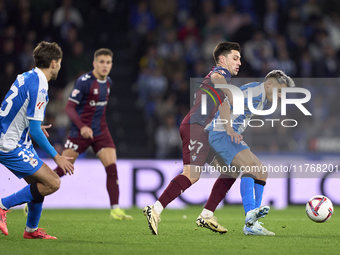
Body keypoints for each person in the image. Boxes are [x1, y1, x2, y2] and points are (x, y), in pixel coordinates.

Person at [143, 41, 242, 235]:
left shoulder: (224, 81)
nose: (239, 62)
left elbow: (222, 105)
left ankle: (207, 215)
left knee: (232, 169)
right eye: (235, 58)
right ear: (222, 59)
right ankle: (155, 210)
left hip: (205, 131)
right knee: (192, 175)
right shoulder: (221, 73)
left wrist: (229, 129)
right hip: (195, 127)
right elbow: (216, 78)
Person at [202, 70, 295, 235]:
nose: (280, 95)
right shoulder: (253, 94)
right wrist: (230, 130)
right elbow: (224, 106)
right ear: (269, 84)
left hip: (227, 134)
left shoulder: (260, 94)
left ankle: (252, 224)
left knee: (261, 172)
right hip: (221, 133)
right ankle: (250, 218)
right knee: (250, 167)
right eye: (280, 91)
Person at [0, 41, 74, 239]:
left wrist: (28, 123)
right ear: (53, 63)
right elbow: (35, 131)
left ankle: (31, 230)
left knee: (39, 183)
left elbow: (12, 107)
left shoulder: (27, 76)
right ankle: (3, 205)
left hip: (11, 137)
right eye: (59, 62)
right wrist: (57, 157)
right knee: (53, 182)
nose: (59, 66)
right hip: (10, 143)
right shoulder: (41, 84)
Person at [50, 48, 132, 220]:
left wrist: (95, 128)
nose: (105, 66)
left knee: (112, 167)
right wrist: (81, 127)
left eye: (108, 62)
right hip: (79, 133)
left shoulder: (108, 82)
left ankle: (115, 209)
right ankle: (33, 197)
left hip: (101, 131)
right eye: (101, 62)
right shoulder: (84, 81)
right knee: (62, 170)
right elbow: (69, 107)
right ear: (94, 64)